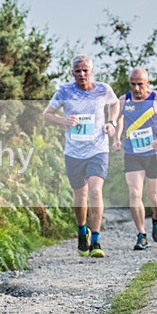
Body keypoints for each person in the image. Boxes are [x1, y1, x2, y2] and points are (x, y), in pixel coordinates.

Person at [44, 54, 118, 258]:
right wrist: (64, 120)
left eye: (85, 70)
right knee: (81, 195)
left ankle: (95, 240)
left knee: (95, 191)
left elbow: (115, 104)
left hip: (98, 149)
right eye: (78, 71)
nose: (82, 74)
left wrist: (111, 123)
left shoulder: (103, 89)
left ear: (91, 71)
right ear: (73, 73)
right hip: (74, 152)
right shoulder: (64, 91)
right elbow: (47, 114)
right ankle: (81, 230)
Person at [112, 68, 157, 250]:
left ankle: (156, 218)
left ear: (147, 83)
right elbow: (117, 118)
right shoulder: (124, 100)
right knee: (135, 193)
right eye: (133, 84)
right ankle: (141, 235)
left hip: (153, 154)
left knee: (153, 197)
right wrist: (117, 138)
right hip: (132, 153)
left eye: (140, 84)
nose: (136, 88)